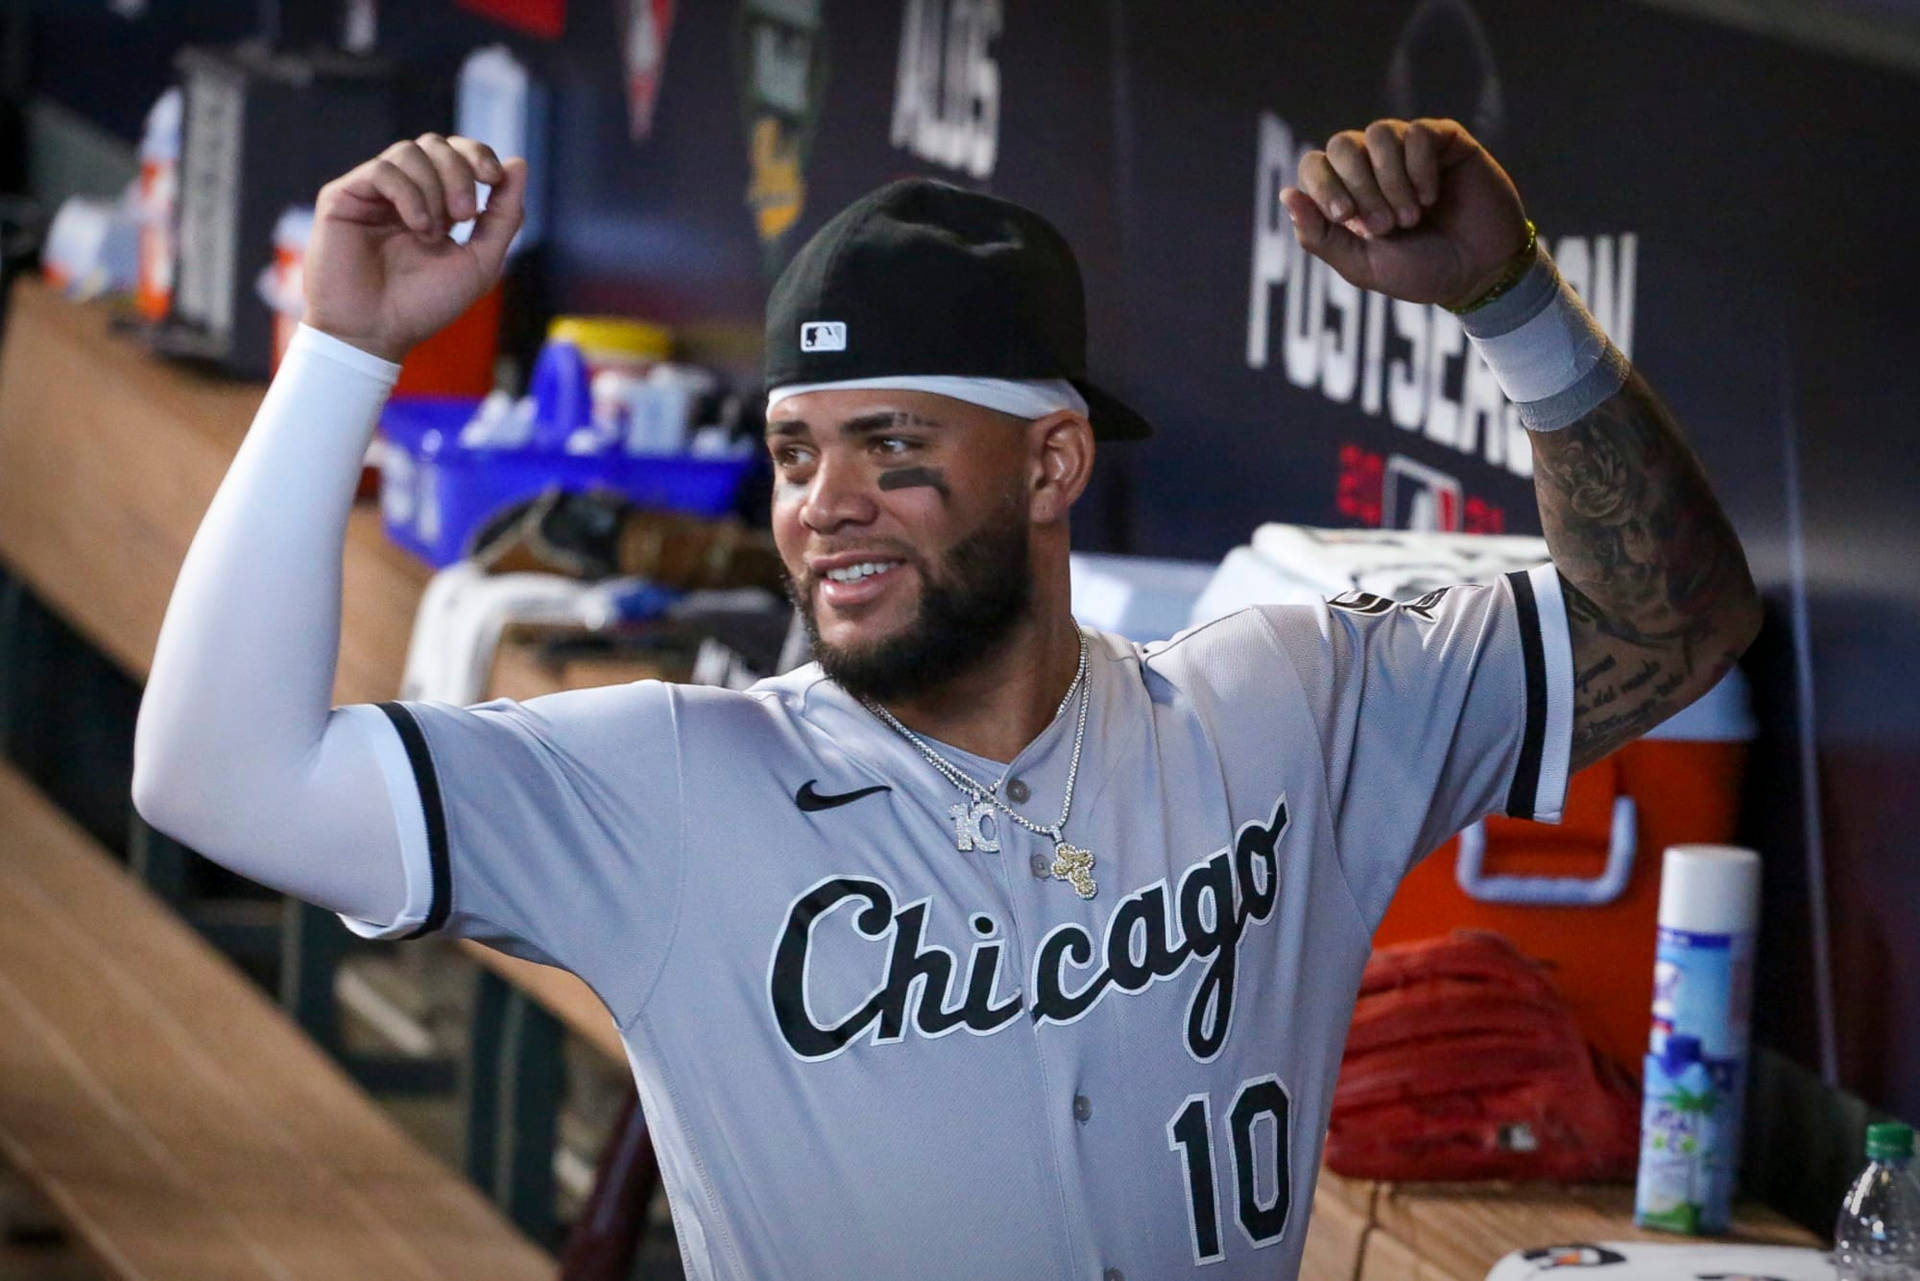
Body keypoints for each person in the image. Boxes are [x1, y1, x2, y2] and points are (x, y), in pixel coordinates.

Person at [134, 121, 1760, 1280]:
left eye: (893, 447)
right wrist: (339, 353)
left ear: (1051, 461)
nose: (824, 500)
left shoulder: (1291, 703)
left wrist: (1516, 309)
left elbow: (1674, 624)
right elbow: (218, 775)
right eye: (793, 451)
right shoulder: (679, 783)